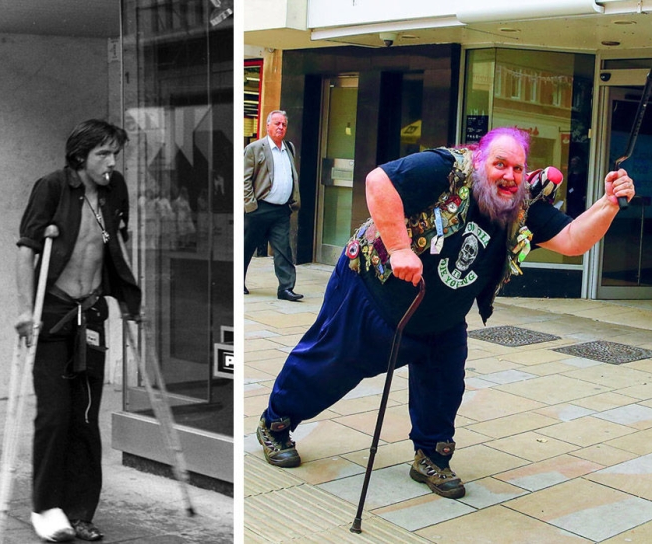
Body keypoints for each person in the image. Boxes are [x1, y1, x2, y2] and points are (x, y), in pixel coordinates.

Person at [256, 127, 635, 499]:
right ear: (482, 159)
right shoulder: (445, 169)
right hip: (374, 291)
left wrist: (609, 203)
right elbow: (378, 182)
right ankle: (276, 423)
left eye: (518, 169)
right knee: (330, 364)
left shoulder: (521, 204)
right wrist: (401, 248)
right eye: (501, 165)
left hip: (443, 314)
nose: (510, 176)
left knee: (445, 385)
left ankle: (431, 455)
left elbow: (571, 241)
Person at [16, 119, 141, 541]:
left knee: (86, 419)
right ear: (80, 156)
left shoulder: (114, 189)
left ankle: (80, 511)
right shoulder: (51, 187)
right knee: (54, 415)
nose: (111, 162)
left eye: (114, 155)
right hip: (52, 312)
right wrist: (24, 309)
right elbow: (27, 250)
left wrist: (128, 299)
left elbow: (116, 245)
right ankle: (46, 509)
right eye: (103, 154)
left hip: (91, 316)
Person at [243, 110, 303, 301]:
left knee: (283, 250)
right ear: (267, 125)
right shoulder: (255, 148)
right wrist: (250, 206)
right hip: (259, 209)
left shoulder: (289, 148)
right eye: (276, 123)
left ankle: (285, 288)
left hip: (281, 210)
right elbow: (244, 179)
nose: (280, 127)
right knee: (246, 247)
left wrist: (292, 202)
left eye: (283, 124)